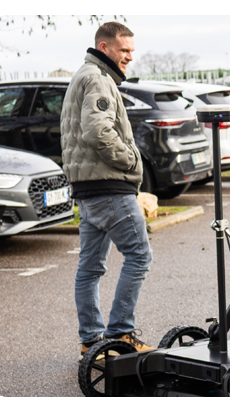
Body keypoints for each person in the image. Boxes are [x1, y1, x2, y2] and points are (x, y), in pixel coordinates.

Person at [63, 21, 155, 357]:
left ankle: (91, 340)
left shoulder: (84, 75)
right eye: (124, 50)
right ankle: (121, 334)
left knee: (89, 268)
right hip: (109, 189)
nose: (130, 56)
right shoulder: (97, 78)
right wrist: (131, 161)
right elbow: (97, 131)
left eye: (132, 49)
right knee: (139, 256)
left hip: (87, 191)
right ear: (105, 48)